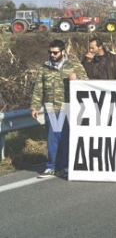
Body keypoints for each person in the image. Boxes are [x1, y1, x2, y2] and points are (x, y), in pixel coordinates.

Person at [31, 39, 88, 178]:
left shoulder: (74, 65)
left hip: (67, 106)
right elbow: (38, 89)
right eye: (50, 52)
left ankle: (67, 166)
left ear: (63, 52)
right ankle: (52, 166)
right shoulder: (44, 68)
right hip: (51, 107)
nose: (52, 55)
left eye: (55, 52)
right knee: (53, 137)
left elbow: (86, 84)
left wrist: (76, 80)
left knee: (65, 137)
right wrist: (35, 106)